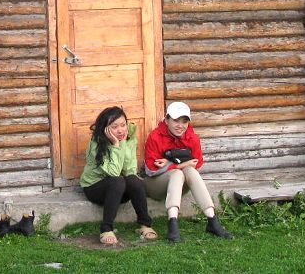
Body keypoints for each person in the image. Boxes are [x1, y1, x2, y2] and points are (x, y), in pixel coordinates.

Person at [144, 101, 232, 242]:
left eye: (184, 121)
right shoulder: (155, 136)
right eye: (176, 120)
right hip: (155, 185)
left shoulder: (192, 138)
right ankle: (172, 223)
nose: (180, 126)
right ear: (167, 120)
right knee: (180, 172)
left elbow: (197, 163)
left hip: (180, 184)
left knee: (190, 171)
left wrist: (171, 162)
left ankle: (212, 220)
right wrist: (180, 164)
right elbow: (151, 170)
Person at [79, 106, 158, 245]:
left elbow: (129, 170)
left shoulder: (128, 137)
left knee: (134, 180)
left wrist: (124, 143)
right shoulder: (96, 144)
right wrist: (116, 145)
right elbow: (114, 173)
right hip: (94, 188)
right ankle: (106, 229)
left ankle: (145, 225)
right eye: (115, 127)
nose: (120, 130)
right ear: (105, 129)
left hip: (117, 190)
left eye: (123, 125)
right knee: (117, 181)